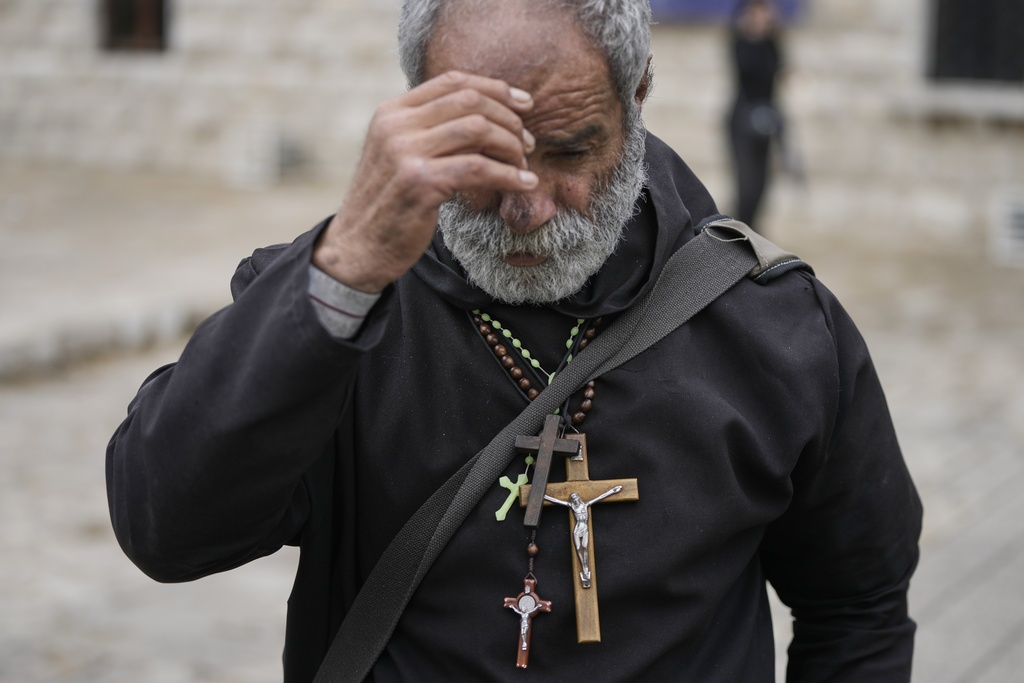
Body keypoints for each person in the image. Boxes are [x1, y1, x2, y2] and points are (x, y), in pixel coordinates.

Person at [106, 1, 922, 681]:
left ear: (638, 94)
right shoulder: (331, 306)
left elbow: (859, 609)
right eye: (483, 151)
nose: (525, 206)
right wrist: (343, 273)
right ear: (418, 103)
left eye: (569, 151)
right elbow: (165, 527)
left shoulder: (769, 322)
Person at [727, 0, 786, 231]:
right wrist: (755, 34)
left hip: (766, 122)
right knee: (747, 186)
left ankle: (753, 232)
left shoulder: (772, 43)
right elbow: (748, 73)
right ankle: (740, 233)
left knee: (762, 185)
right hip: (742, 122)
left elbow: (777, 72)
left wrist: (772, 34)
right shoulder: (741, 42)